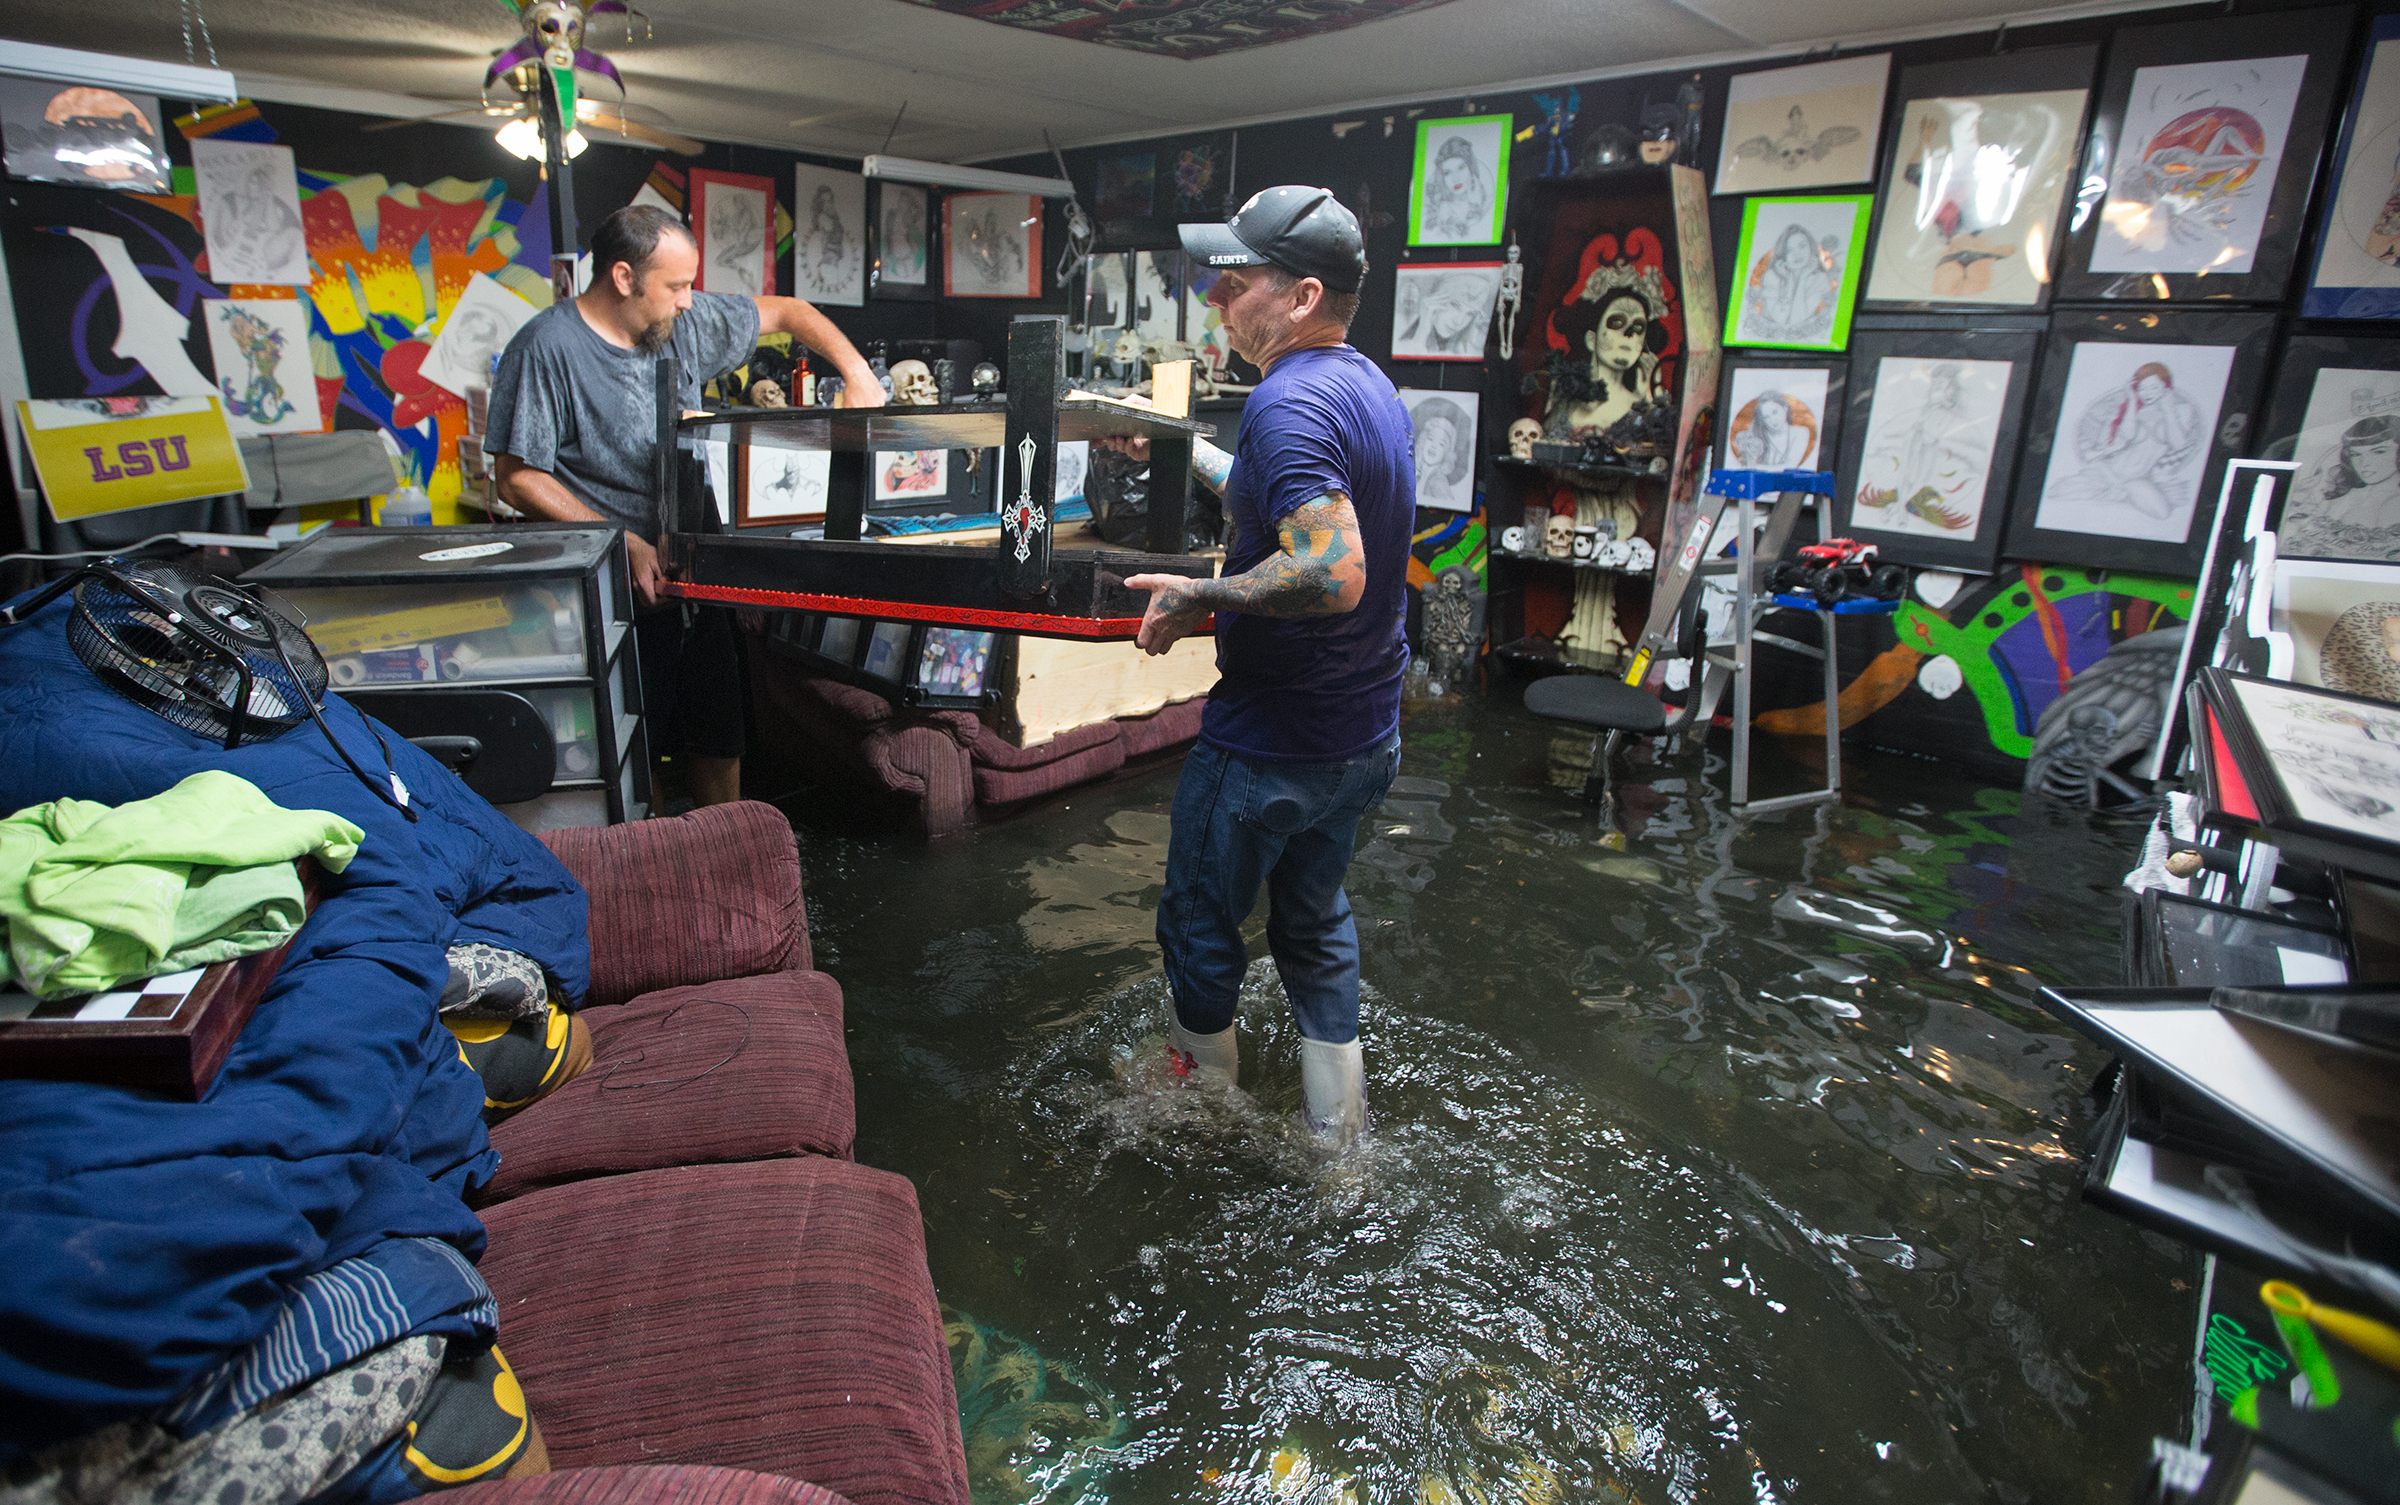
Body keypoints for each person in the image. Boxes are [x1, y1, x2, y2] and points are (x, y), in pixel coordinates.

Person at [1110, 186, 1413, 1148]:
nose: (1213, 302)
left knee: (1199, 925)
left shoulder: (1286, 402)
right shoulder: (1366, 385)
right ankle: (1340, 1145)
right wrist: (1178, 450)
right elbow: (1285, 494)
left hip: (1273, 740)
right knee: (1313, 923)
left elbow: (1332, 568)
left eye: (1233, 285)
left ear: (1301, 295)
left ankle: (1193, 1125)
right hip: (1362, 736)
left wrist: (1206, 595)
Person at [484, 203, 883, 807]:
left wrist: (856, 373)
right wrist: (621, 539)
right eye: (675, 285)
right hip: (613, 586)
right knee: (631, 749)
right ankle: (656, 875)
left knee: (719, 734)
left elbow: (793, 313)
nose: (689, 300)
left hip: (696, 569)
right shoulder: (546, 348)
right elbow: (516, 478)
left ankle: (723, 866)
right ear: (623, 278)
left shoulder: (681, 323)